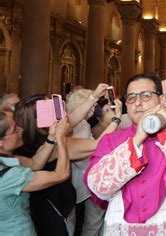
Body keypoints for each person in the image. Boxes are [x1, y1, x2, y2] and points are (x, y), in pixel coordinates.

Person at [85, 73, 166, 235]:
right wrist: (138, 138)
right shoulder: (111, 140)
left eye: (146, 95)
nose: (138, 102)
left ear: (161, 100)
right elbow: (99, 187)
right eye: (131, 98)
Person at [14, 84, 110, 235]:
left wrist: (94, 96)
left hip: (51, 203)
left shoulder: (29, 141)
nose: (61, 112)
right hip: (55, 206)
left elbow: (70, 121)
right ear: (40, 118)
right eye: (52, 109)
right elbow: (99, 145)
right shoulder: (50, 144)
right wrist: (115, 120)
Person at [0, 106, 71, 235]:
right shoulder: (10, 175)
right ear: (1, 142)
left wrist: (51, 137)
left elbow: (35, 163)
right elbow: (61, 174)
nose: (20, 130)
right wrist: (62, 138)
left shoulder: (5, 160)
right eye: (15, 129)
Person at [66, 89, 123, 236]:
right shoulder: (79, 125)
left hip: (89, 175)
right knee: (93, 222)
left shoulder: (83, 124)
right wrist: (116, 119)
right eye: (91, 104)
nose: (94, 107)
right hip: (88, 178)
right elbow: (95, 147)